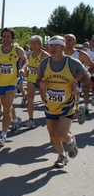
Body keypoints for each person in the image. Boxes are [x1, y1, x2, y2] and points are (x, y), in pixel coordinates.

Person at [36, 35, 89, 168]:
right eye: (51, 45)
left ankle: (70, 140)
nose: (53, 48)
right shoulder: (45, 63)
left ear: (63, 47)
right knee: (53, 136)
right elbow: (38, 79)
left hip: (67, 104)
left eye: (57, 45)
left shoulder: (72, 62)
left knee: (60, 134)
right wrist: (40, 84)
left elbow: (86, 75)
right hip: (50, 105)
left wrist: (78, 85)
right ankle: (62, 156)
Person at [0, 28, 27, 144]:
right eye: (4, 36)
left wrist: (23, 69)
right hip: (0, 82)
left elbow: (25, 61)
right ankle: (15, 119)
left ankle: (3, 134)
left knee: (6, 108)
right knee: (7, 106)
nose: (5, 39)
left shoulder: (17, 50)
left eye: (8, 37)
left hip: (12, 82)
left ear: (12, 38)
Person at [64, 34, 94, 117]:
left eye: (69, 40)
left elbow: (92, 66)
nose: (67, 42)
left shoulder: (81, 54)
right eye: (65, 40)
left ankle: (80, 111)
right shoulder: (59, 54)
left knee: (71, 112)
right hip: (60, 86)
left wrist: (83, 76)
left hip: (75, 85)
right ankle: (79, 112)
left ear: (74, 42)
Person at [24, 35, 49, 128]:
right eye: (32, 43)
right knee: (30, 100)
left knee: (44, 99)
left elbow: (51, 66)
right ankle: (30, 119)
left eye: (35, 43)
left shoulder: (44, 55)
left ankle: (51, 113)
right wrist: (26, 71)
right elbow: (27, 65)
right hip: (31, 79)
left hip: (42, 80)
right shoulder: (29, 54)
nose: (33, 45)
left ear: (40, 44)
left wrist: (42, 70)